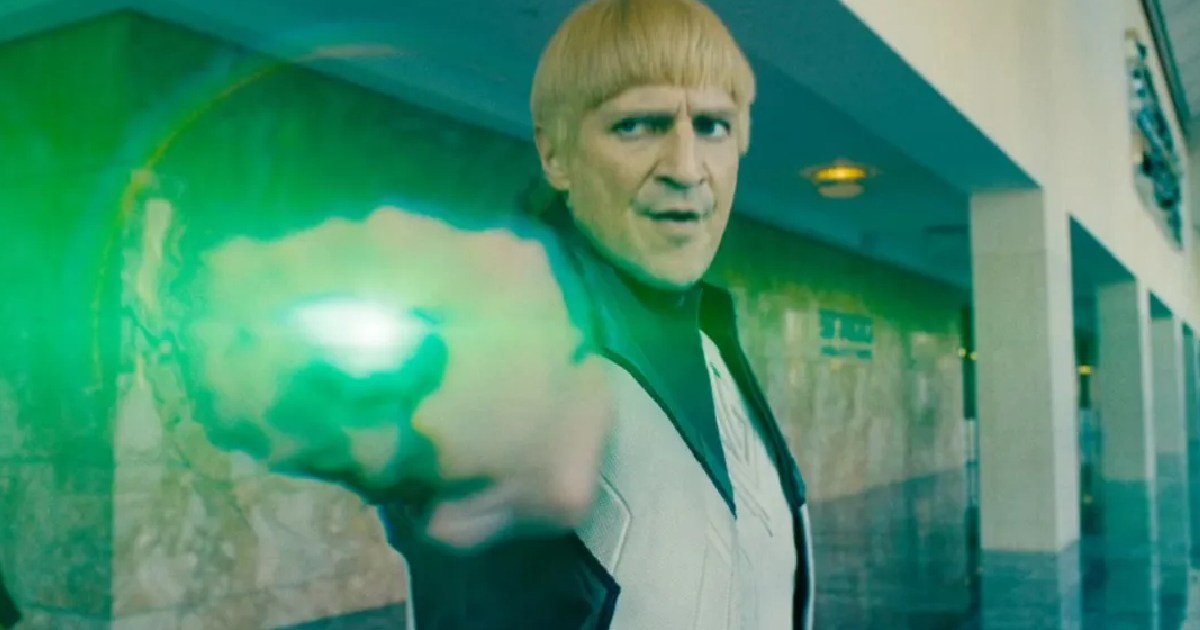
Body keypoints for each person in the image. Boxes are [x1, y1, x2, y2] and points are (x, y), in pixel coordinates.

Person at [181, 0, 812, 627]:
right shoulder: (518, 332)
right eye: (636, 125)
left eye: (712, 126)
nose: (685, 168)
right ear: (556, 155)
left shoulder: (716, 345)